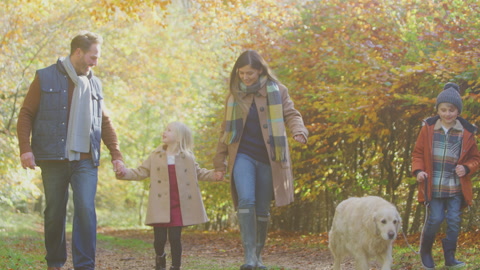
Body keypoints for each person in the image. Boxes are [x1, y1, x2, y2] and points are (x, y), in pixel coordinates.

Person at [16, 31, 124, 270]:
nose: (96, 62)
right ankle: (55, 262)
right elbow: (26, 114)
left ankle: (85, 265)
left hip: (86, 159)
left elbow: (104, 121)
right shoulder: (45, 77)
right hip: (53, 158)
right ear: (78, 52)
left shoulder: (95, 82)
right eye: (92, 56)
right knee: (54, 212)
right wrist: (26, 148)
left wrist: (116, 154)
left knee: (85, 208)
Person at [213, 50, 308, 270]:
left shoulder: (278, 91)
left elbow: (292, 114)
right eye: (242, 73)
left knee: (263, 209)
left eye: (250, 73)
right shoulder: (234, 95)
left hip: (269, 157)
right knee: (246, 201)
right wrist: (220, 164)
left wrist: (298, 131)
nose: (245, 77)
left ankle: (258, 255)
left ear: (260, 71)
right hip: (242, 156)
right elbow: (224, 132)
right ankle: (249, 257)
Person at [116, 121, 219, 270]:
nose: (164, 132)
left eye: (169, 130)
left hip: (179, 204)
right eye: (165, 129)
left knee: (175, 238)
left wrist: (214, 175)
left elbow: (199, 172)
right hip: (160, 204)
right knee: (159, 239)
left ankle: (176, 266)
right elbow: (141, 171)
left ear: (179, 137)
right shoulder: (155, 155)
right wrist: (124, 172)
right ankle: (160, 259)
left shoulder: (187, 157)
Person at [412, 82, 480, 270]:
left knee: (454, 221)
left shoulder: (466, 132)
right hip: (433, 186)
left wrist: (466, 168)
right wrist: (419, 171)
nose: (447, 114)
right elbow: (417, 153)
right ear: (438, 110)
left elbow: (476, 158)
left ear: (457, 111)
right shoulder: (428, 129)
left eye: (451, 110)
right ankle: (426, 251)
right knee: (435, 218)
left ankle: (450, 257)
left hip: (455, 187)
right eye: (443, 109)